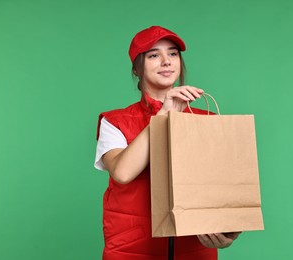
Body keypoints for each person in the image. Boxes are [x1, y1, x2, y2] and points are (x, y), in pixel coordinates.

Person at [94, 25, 240, 260]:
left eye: (172, 54)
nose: (166, 61)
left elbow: (221, 188)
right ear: (137, 68)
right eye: (154, 55)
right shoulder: (114, 122)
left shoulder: (209, 121)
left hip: (195, 249)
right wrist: (163, 115)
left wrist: (230, 232)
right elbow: (122, 172)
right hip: (132, 251)